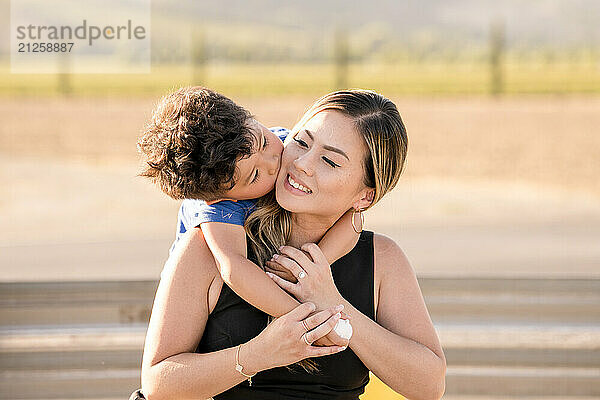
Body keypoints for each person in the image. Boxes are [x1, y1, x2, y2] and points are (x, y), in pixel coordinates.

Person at [140, 89, 446, 400]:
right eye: (301, 142)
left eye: (329, 160)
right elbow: (158, 384)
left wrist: (330, 303)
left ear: (365, 195)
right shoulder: (209, 245)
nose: (302, 163)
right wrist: (256, 355)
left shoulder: (382, 259)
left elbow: (429, 386)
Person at [137, 86, 358, 335]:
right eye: (255, 175)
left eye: (264, 142)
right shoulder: (217, 208)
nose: (274, 162)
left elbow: (354, 215)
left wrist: (307, 268)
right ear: (223, 196)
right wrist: (305, 319)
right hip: (203, 300)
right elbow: (234, 270)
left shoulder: (286, 144)